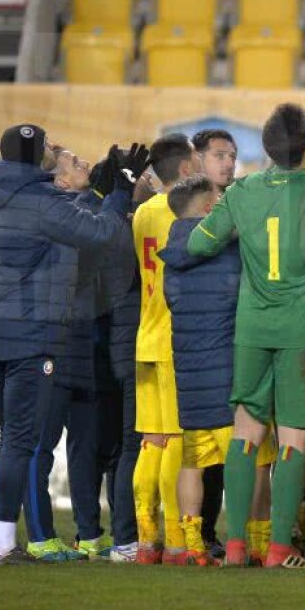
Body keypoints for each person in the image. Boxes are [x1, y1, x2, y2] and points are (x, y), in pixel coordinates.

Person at [187, 103, 305, 569]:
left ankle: (235, 546)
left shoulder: (242, 193)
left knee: (246, 432)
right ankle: (279, 549)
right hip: (302, 330)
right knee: (294, 437)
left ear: (267, 149)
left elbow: (199, 243)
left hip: (253, 327)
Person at [0, 124, 146, 564]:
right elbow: (104, 234)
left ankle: (7, 541)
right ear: (39, 161)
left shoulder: (5, 194)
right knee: (24, 442)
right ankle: (11, 545)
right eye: (51, 148)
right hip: (32, 335)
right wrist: (120, 192)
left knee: (12, 440)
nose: (56, 150)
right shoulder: (42, 202)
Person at [24, 149, 137, 562]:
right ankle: (39, 538)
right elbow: (96, 231)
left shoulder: (78, 207)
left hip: (85, 342)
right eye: (74, 162)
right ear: (61, 181)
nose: (83, 163)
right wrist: (115, 194)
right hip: (54, 341)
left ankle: (90, 534)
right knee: (42, 445)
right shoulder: (57, 212)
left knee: (85, 445)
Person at [158, 175, 273, 566]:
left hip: (190, 375)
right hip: (231, 372)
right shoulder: (230, 247)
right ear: (209, 208)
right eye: (221, 199)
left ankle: (192, 544)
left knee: (193, 461)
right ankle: (256, 544)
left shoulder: (172, 253)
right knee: (256, 459)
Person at [131, 134, 204, 565]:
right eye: (196, 162)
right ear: (183, 169)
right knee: (177, 440)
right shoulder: (182, 213)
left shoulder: (141, 214)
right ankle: (177, 542)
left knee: (152, 442)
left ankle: (146, 540)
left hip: (147, 335)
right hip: (176, 338)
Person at [96, 167, 155, 563]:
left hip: (126, 345)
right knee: (132, 443)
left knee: (126, 444)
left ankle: (127, 535)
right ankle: (125, 538)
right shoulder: (128, 228)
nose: (149, 179)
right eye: (143, 175)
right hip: (132, 346)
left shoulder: (124, 225)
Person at [191, 128, 240, 557]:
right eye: (219, 155)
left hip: (228, 339)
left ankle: (204, 532)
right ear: (198, 159)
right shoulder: (186, 212)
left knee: (220, 448)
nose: (228, 163)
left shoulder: (237, 206)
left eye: (232, 155)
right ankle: (181, 534)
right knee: (187, 446)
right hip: (193, 342)